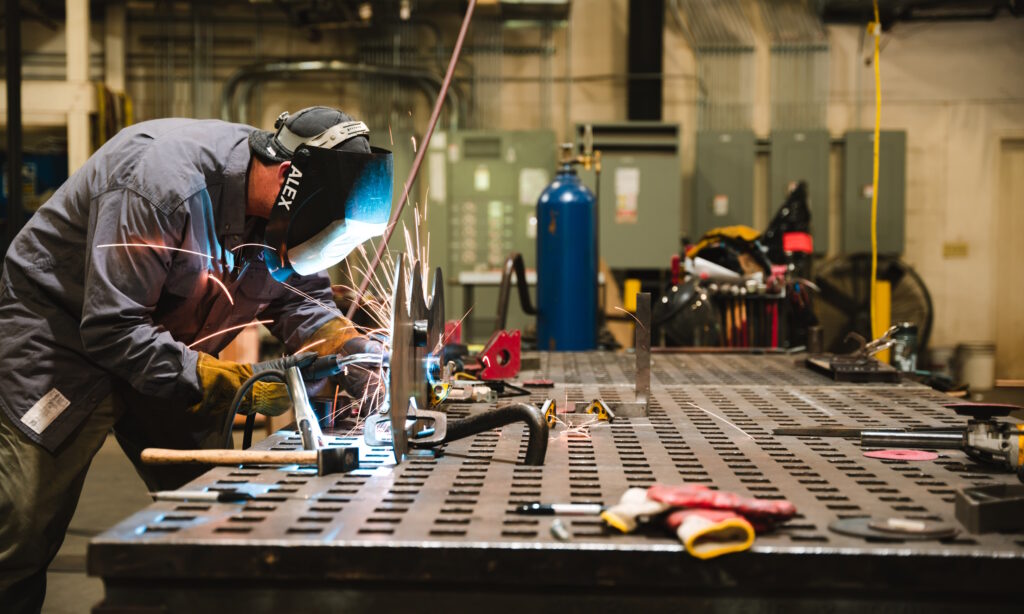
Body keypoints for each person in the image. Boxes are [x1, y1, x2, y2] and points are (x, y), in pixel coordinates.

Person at [0, 106, 391, 612]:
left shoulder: (283, 216)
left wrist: (348, 347)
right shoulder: (159, 186)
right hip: (64, 337)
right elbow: (113, 328)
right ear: (287, 178)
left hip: (168, 349)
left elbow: (301, 300)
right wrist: (233, 384)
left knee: (215, 501)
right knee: (22, 525)